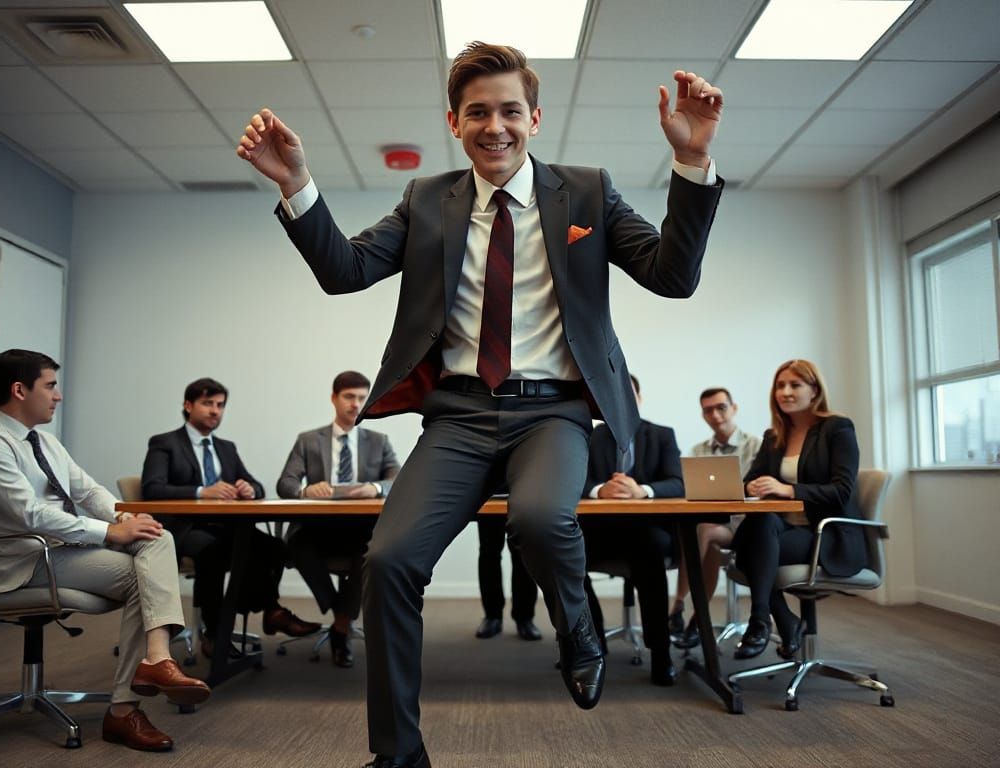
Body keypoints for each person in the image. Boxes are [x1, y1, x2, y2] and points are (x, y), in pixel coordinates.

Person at [238, 41, 723, 768]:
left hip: (554, 411)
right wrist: (299, 186)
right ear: (453, 122)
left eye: (508, 111)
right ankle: (399, 755)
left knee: (537, 517)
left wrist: (691, 163)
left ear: (535, 117)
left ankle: (580, 628)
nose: (493, 126)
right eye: (476, 113)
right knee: (391, 561)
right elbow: (346, 272)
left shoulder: (586, 192)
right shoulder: (429, 199)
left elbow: (673, 276)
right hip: (459, 414)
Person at [0, 349, 211, 752]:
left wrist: (121, 522)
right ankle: (125, 708)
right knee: (147, 572)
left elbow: (88, 490)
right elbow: (29, 515)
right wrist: (109, 533)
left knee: (158, 539)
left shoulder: (44, 442)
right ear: (19, 390)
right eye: (50, 386)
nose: (58, 395)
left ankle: (153, 663)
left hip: (65, 550)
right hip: (27, 560)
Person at [140, 377, 319, 658]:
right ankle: (215, 634)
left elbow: (256, 485)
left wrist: (249, 489)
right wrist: (202, 491)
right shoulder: (165, 443)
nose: (215, 411)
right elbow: (152, 489)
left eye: (220, 405)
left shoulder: (226, 448)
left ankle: (267, 610)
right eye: (207, 403)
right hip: (185, 528)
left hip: (226, 525)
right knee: (215, 552)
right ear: (188, 406)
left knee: (275, 548)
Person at [732, 359, 865, 661]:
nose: (786, 392)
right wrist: (750, 487)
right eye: (780, 385)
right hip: (782, 529)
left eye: (795, 385)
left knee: (749, 550)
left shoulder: (837, 428)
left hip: (824, 533)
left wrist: (789, 489)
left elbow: (842, 490)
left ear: (814, 390)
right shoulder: (775, 435)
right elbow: (749, 479)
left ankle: (765, 621)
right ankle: (773, 620)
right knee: (760, 526)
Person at [276, 370, 400, 667]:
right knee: (297, 544)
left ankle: (341, 624)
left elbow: (398, 477)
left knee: (370, 549)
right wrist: (306, 490)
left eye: (361, 398)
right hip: (317, 526)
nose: (356, 404)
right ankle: (341, 615)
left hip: (360, 527)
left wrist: (376, 487)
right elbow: (285, 483)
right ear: (334, 398)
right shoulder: (308, 440)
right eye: (349, 397)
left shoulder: (378, 440)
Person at [580, 374, 682, 686]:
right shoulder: (588, 436)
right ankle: (590, 640)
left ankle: (660, 651)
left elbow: (678, 483)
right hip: (601, 532)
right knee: (560, 550)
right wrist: (600, 491)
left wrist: (643, 491)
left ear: (639, 399)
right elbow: (572, 481)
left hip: (648, 532)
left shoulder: (662, 435)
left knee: (648, 548)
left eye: (629, 395)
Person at [669, 387, 762, 648]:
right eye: (708, 410)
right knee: (702, 532)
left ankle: (678, 606)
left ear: (734, 408)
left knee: (703, 531)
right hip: (708, 523)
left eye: (721, 407)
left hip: (743, 525)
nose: (715, 414)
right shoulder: (698, 451)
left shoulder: (756, 446)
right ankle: (697, 619)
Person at [474, 515, 540, 640]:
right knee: (489, 552)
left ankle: (525, 618)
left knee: (523, 553)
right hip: (489, 498)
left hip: (523, 499)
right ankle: (492, 616)